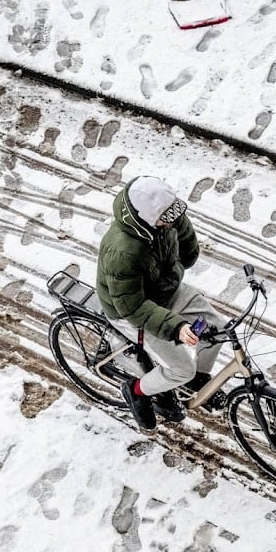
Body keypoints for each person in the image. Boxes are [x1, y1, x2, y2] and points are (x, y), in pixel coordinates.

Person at [96, 175, 223, 431]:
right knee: (180, 370)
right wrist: (176, 327)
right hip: (132, 311)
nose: (173, 220)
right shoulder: (123, 252)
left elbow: (188, 249)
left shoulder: (167, 218)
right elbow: (132, 307)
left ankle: (198, 379)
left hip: (165, 290)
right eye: (167, 218)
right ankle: (137, 391)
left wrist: (174, 270)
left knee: (216, 329)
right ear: (148, 218)